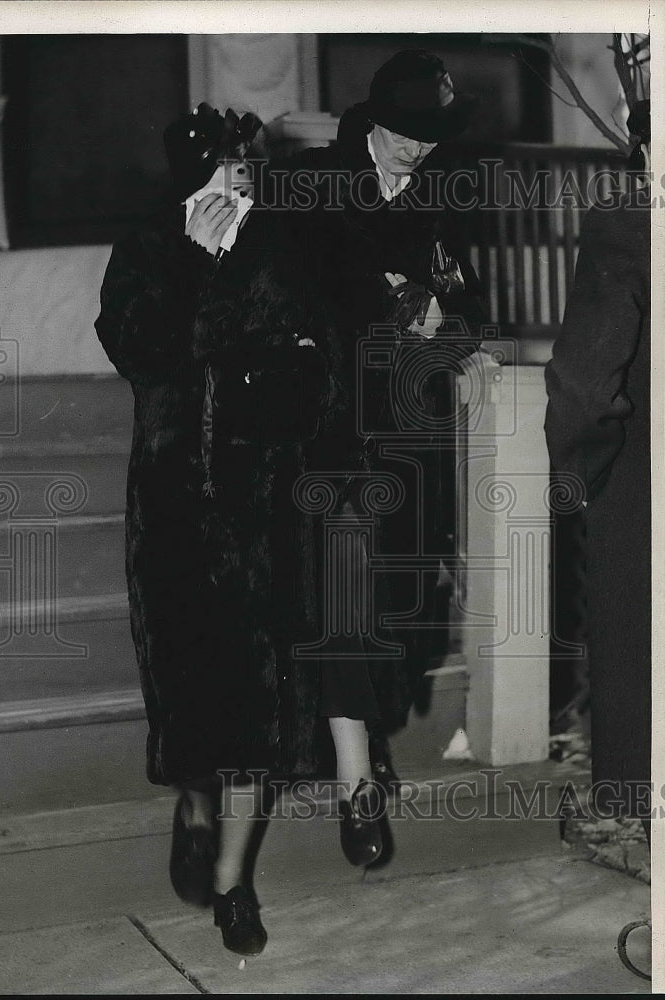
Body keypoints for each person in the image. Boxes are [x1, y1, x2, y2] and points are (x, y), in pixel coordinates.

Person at [94, 100, 411, 957]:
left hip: (268, 510)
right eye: (223, 169)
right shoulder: (150, 252)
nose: (239, 183)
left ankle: (234, 882)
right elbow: (140, 349)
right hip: (172, 515)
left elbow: (319, 365)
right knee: (195, 711)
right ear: (188, 179)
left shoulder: (280, 244)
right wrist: (199, 271)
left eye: (244, 168)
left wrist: (293, 376)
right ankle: (192, 815)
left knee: (248, 719)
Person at [275, 49, 486, 781]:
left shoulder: (446, 196)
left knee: (398, 600)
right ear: (374, 120)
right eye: (407, 132)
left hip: (409, 435)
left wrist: (440, 317)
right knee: (344, 594)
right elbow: (283, 303)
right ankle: (354, 772)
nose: (420, 148)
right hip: (331, 432)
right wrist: (382, 299)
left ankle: (364, 735)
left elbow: (471, 312)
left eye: (432, 135)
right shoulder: (312, 186)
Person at [544, 100, 651, 975]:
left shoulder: (629, 221)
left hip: (645, 477)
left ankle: (630, 815)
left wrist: (576, 474)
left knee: (629, 634)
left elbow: (587, 377)